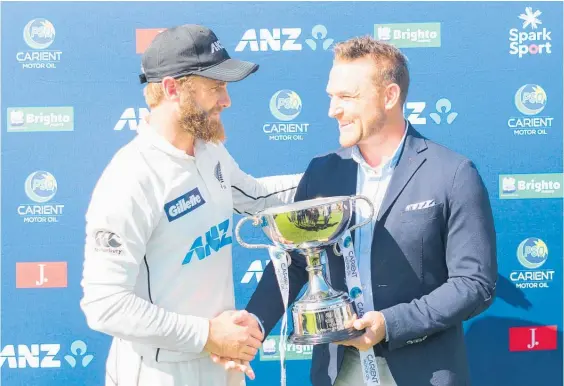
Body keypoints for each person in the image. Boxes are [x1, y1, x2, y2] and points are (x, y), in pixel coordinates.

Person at [241, 36, 498, 386]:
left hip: (423, 372)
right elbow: (296, 262)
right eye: (332, 96)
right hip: (337, 371)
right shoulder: (322, 171)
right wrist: (253, 325)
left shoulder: (452, 173)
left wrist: (391, 325)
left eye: (347, 97)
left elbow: (474, 284)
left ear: (389, 96)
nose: (333, 109)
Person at [80, 24, 302, 386]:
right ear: (172, 88)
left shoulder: (209, 151)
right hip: (157, 374)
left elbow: (257, 197)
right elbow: (105, 305)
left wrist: (333, 174)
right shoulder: (131, 178)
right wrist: (206, 334)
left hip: (220, 364)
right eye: (216, 87)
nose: (226, 100)